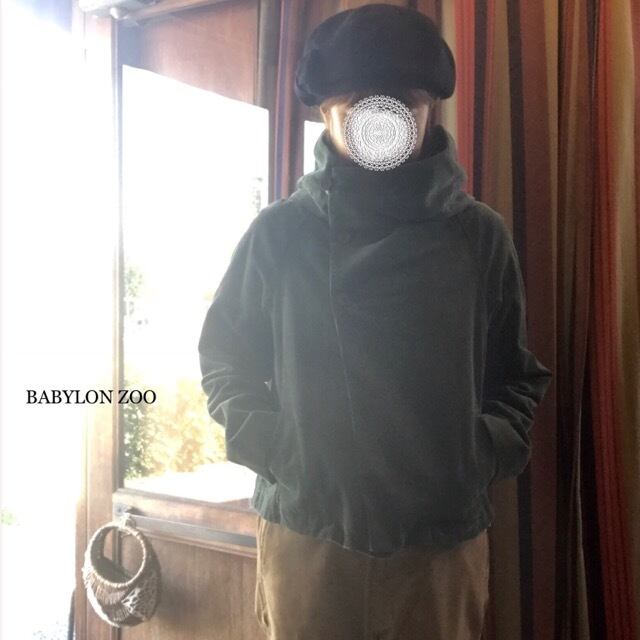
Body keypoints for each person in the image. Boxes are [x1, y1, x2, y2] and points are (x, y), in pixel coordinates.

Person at [198, 4, 553, 639]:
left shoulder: (479, 237)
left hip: (441, 543)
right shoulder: (280, 235)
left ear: (430, 107)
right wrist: (279, 450)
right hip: (310, 535)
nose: (382, 124)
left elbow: (516, 375)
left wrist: (474, 455)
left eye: (402, 104)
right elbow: (225, 356)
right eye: (359, 104)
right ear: (323, 110)